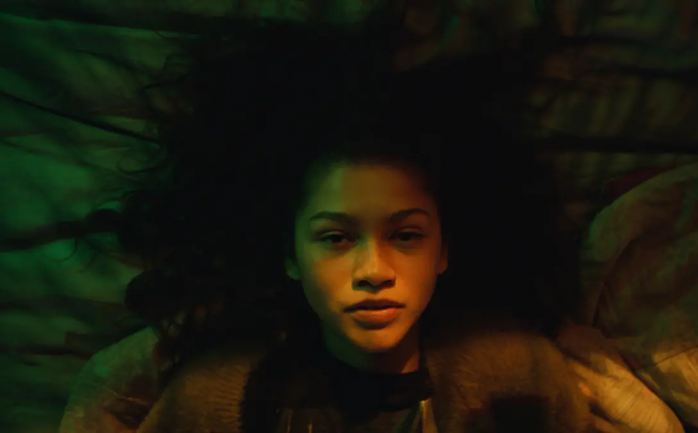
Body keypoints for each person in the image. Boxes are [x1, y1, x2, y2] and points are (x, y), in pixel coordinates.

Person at [60, 10, 591, 433]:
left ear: (443, 251)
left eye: (406, 236)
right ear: (290, 255)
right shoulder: (216, 396)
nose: (374, 271)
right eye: (336, 238)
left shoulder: (519, 377)